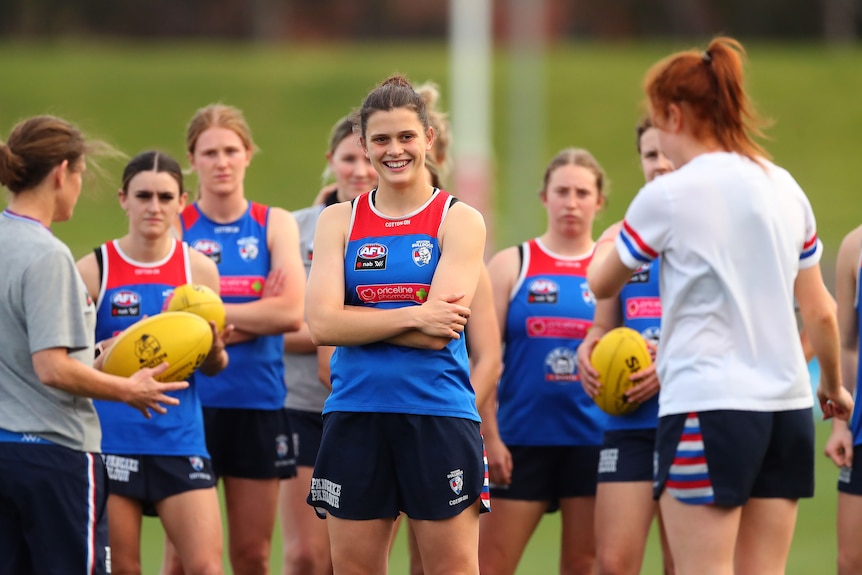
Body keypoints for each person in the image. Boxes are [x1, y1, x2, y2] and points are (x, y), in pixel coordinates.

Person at [587, 36, 852, 575]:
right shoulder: (784, 186)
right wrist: (832, 387)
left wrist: (622, 240)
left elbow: (601, 281)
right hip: (788, 411)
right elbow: (821, 310)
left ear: (674, 115)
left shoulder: (668, 196)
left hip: (707, 408)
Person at [304, 74, 489, 575]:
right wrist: (414, 311)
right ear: (363, 145)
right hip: (356, 415)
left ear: (428, 138)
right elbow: (320, 324)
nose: (394, 150)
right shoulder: (338, 221)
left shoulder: (460, 219)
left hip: (438, 416)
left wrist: (356, 320)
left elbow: (439, 333)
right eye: (380, 139)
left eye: (406, 136)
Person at [0, 116, 187, 575]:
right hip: (52, 458)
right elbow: (52, 368)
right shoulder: (47, 255)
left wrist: (100, 354)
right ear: (62, 173)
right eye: (81, 175)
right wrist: (130, 389)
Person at [76, 151, 229, 575]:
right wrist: (106, 351)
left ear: (183, 201)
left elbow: (213, 366)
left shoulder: (198, 271)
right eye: (143, 195)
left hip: (180, 440)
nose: (154, 206)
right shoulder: (92, 271)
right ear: (123, 198)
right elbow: (68, 363)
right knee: (124, 569)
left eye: (165, 196)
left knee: (207, 568)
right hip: (112, 441)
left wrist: (214, 351)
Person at [170, 103, 306, 575]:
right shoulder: (177, 225)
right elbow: (164, 318)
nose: (221, 161)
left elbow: (291, 312)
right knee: (183, 559)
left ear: (248, 154)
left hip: (258, 403)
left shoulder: (275, 223)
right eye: (209, 152)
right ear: (192, 159)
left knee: (252, 557)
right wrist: (256, 317)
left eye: (231, 149)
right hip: (189, 406)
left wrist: (207, 320)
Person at [479, 148, 608, 575]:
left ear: (599, 201)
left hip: (592, 442)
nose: (572, 202)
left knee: (582, 565)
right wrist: (490, 438)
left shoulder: (615, 270)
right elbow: (482, 359)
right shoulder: (512, 265)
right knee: (490, 564)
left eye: (582, 192)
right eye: (562, 191)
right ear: (544, 198)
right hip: (518, 443)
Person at [278, 115, 377, 575]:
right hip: (303, 408)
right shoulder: (294, 229)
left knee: (349, 558)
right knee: (305, 557)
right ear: (331, 161)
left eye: (366, 158)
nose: (359, 170)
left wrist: (324, 324)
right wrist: (325, 327)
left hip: (374, 407)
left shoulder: (394, 228)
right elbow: (283, 320)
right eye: (348, 158)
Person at [575, 117, 675, 575]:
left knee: (686, 563)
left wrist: (670, 363)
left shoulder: (718, 233)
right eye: (650, 155)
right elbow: (601, 326)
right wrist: (588, 349)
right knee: (613, 564)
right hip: (629, 416)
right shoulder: (620, 238)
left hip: (691, 411)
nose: (661, 164)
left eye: (668, 152)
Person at [825, 225, 862, 575]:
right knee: (851, 563)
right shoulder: (855, 246)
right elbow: (847, 344)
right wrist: (840, 424)